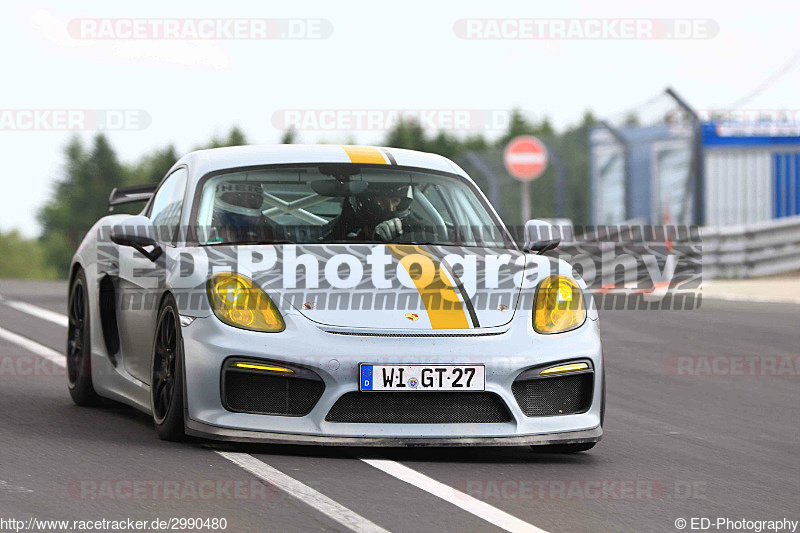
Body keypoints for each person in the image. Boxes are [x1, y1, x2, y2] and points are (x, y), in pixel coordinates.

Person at [324, 183, 413, 242]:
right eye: (381, 201)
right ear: (367, 202)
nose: (389, 208)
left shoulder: (415, 237)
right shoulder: (346, 244)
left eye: (395, 201)